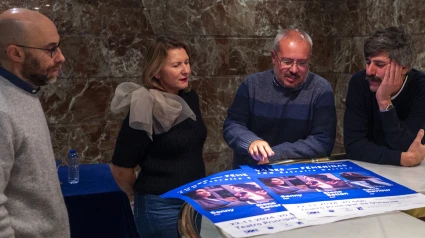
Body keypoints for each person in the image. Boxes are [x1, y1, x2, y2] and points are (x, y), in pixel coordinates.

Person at [110, 36, 207, 238]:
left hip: (194, 200)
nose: (186, 70)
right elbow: (121, 167)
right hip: (161, 207)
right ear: (156, 71)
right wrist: (133, 197)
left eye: (187, 62)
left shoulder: (189, 97)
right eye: (176, 65)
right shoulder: (144, 104)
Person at [0, 8, 69, 238]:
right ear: (15, 53)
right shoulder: (2, 110)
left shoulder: (24, 91)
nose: (61, 57)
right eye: (51, 49)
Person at [223, 28, 336, 168]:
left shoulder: (321, 89)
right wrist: (251, 142)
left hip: (299, 174)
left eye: (301, 63)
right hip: (252, 171)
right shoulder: (252, 85)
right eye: (287, 62)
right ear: (273, 57)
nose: (294, 70)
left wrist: (274, 155)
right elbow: (232, 125)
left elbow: (322, 141)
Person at [344, 27, 425, 166]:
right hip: (370, 170)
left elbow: (410, 145)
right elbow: (354, 145)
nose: (369, 71)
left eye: (379, 64)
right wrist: (400, 159)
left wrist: (384, 102)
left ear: (404, 68)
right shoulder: (359, 83)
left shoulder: (421, 87)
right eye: (368, 62)